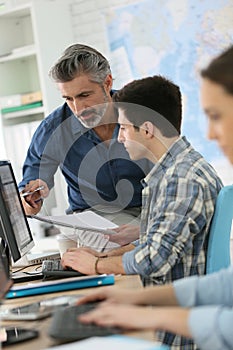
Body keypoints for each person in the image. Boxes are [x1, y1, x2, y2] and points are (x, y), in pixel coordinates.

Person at [74, 45, 233, 350]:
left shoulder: (182, 178)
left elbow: (155, 259)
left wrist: (95, 266)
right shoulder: (172, 172)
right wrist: (114, 256)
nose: (119, 137)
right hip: (171, 316)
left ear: (146, 129)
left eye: (122, 128)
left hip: (177, 335)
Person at [19, 44, 152, 226]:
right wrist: (30, 197)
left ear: (107, 83)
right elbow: (32, 181)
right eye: (68, 99)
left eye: (84, 95)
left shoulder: (138, 113)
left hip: (145, 214)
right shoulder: (53, 128)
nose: (78, 108)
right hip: (91, 223)